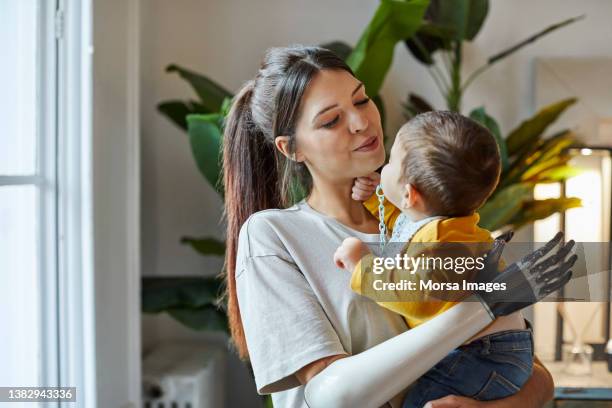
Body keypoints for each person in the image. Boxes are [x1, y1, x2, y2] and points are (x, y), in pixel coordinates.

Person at [223, 45, 574, 408]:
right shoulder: (274, 236)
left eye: (360, 101)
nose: (361, 122)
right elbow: (334, 398)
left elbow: (534, 374)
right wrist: (483, 306)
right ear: (291, 148)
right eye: (331, 120)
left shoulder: (433, 218)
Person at [333, 111, 541, 407]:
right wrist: (373, 198)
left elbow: (419, 296)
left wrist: (363, 266)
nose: (385, 166)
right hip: (494, 351)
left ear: (408, 194)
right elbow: (408, 230)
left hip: (481, 356)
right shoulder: (448, 227)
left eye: (391, 161)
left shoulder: (445, 242)